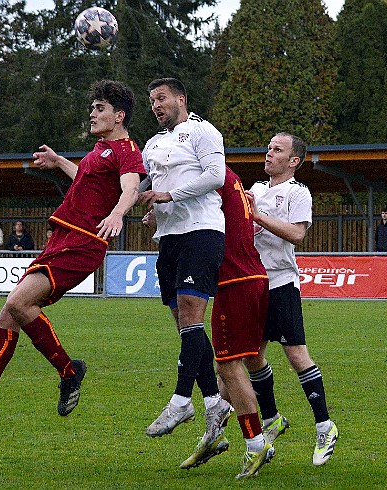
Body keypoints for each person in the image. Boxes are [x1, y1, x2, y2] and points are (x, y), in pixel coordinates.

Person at [0, 79, 145, 433]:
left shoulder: (128, 150)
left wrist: (119, 212)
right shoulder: (98, 151)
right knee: (9, 313)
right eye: (92, 107)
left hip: (84, 242)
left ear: (119, 116)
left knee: (18, 303)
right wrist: (59, 162)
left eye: (99, 108)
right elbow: (86, 179)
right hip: (62, 237)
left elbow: (130, 186)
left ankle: (69, 371)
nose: (92, 113)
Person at [143, 167, 274, 478]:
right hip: (247, 276)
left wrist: (159, 213)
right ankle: (217, 430)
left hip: (236, 279)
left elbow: (185, 204)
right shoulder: (228, 178)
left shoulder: (208, 177)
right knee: (225, 361)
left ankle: (257, 441)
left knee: (228, 365)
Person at [138, 78, 232, 458]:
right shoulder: (152, 144)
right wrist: (152, 208)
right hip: (170, 238)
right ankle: (213, 403)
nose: (156, 105)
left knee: (192, 319)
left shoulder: (203, 131)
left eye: (161, 98)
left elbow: (216, 176)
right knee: (186, 327)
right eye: (151, 101)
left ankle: (181, 400)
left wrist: (168, 195)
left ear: (182, 98)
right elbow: (147, 183)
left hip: (202, 232)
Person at [245, 132, 338, 467]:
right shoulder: (254, 190)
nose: (269, 153)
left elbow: (297, 234)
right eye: (268, 148)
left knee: (296, 355)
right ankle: (271, 419)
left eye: (278, 150)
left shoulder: (297, 192)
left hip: (281, 283)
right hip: (252, 284)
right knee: (252, 356)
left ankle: (325, 426)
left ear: (293, 161)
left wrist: (258, 217)